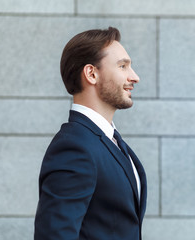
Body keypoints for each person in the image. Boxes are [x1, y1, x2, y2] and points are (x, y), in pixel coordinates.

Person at [34, 27, 147, 240]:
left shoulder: (109, 141)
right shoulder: (74, 147)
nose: (135, 77)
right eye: (123, 66)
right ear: (91, 74)